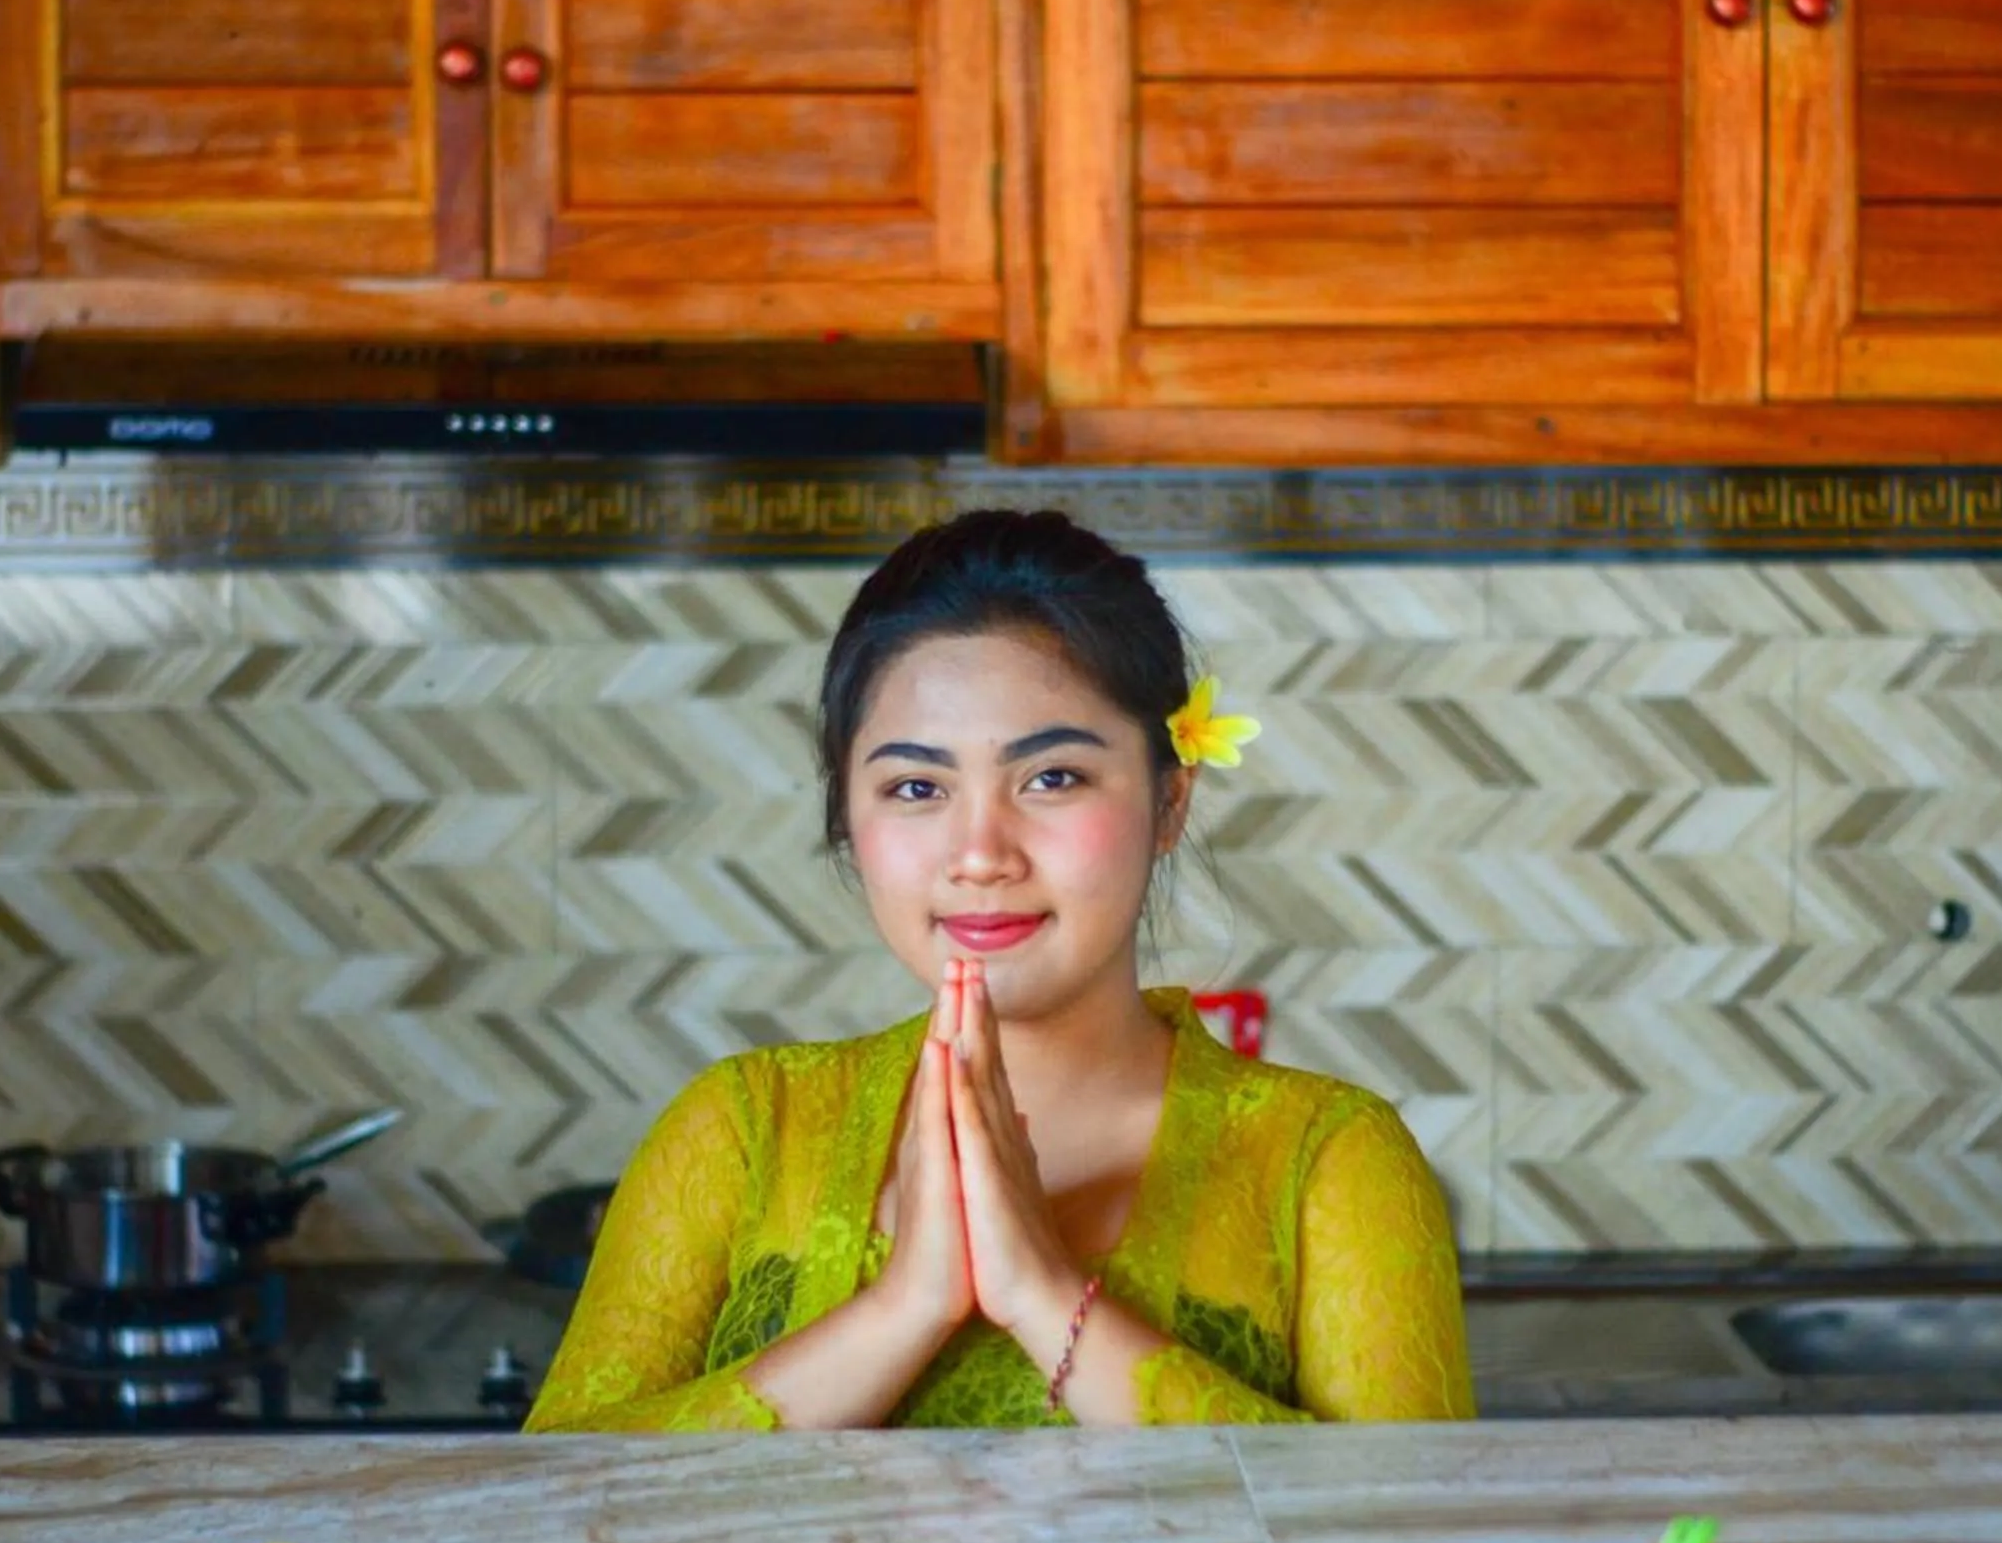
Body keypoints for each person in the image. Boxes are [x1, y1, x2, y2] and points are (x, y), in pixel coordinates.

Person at [524, 510, 1475, 1431]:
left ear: (1169, 801)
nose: (980, 852)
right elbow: (544, 1512)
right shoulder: (738, 1126)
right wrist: (905, 1308)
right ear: (849, 821)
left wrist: (1043, 1296)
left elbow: (1402, 1539)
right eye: (915, 787)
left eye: (1051, 778)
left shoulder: (1332, 1158)